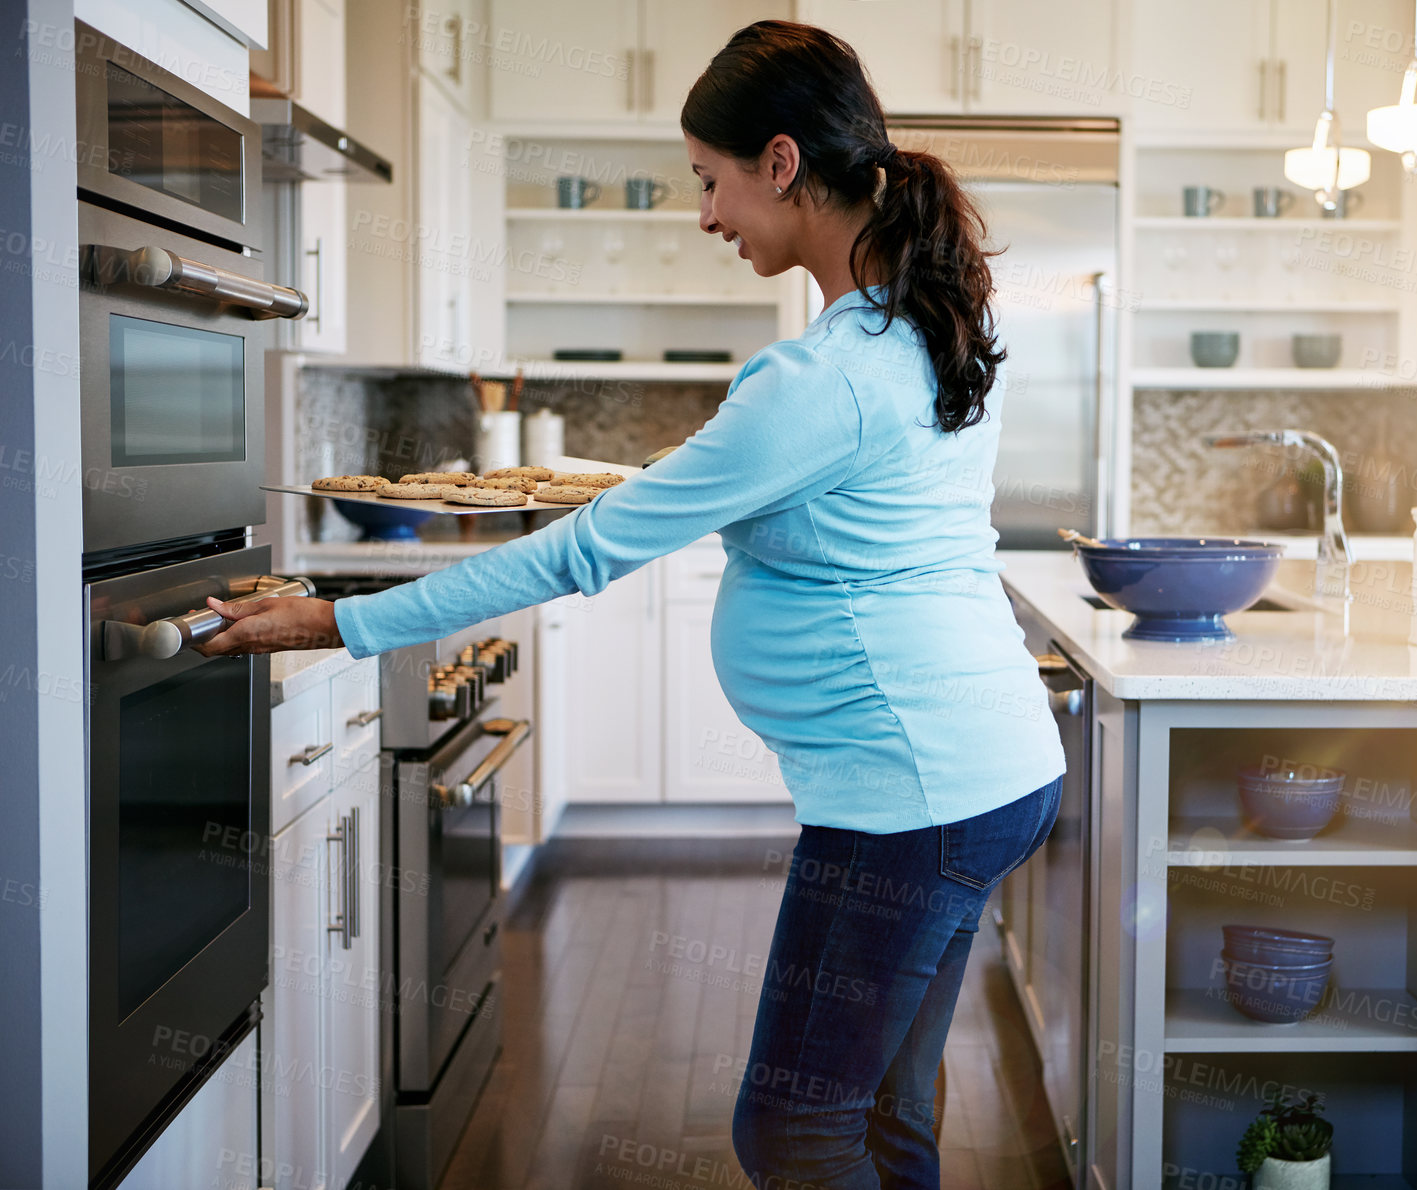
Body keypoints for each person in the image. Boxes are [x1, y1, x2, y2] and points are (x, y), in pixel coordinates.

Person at [203, 20, 1065, 1188]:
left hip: (911, 791)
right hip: (985, 764)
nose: (705, 215)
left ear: (778, 162)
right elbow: (811, 498)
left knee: (796, 1129)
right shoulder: (925, 323)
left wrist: (339, 620)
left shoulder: (821, 378)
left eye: (710, 182)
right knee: (876, 1117)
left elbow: (579, 557)